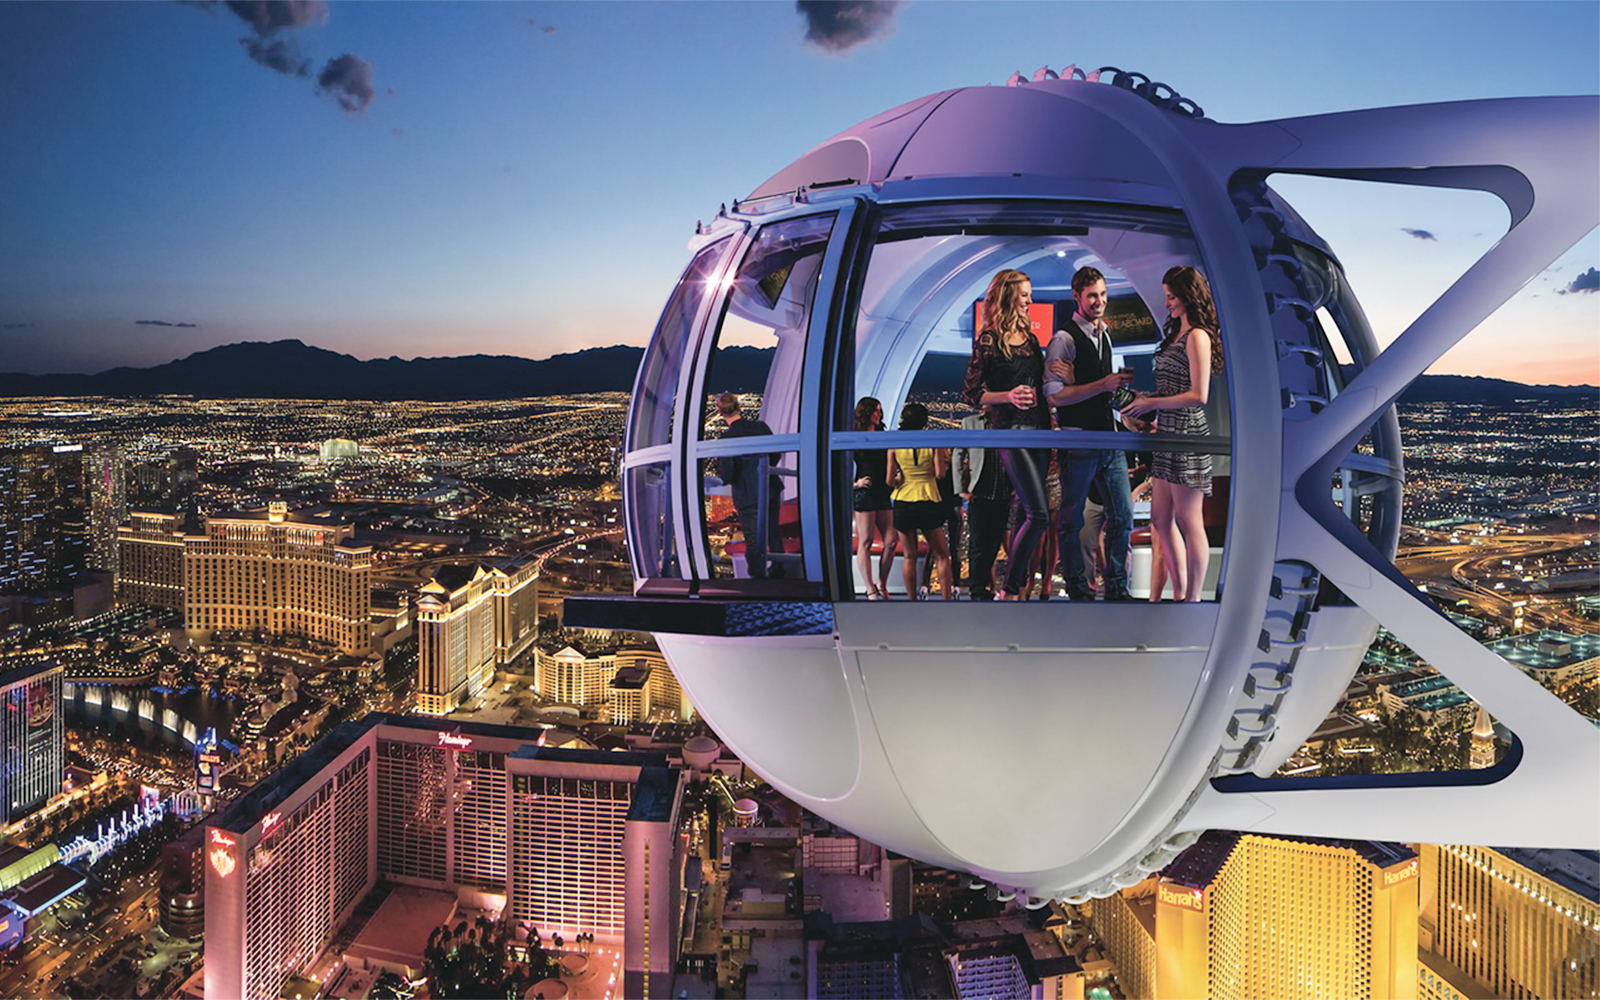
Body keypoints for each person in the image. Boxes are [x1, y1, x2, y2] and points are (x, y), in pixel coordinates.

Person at [1124, 266, 1225, 602]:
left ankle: (1192, 597)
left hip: (1187, 433)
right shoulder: (1177, 337)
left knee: (1188, 519)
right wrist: (1145, 403)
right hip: (1167, 432)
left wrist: (1151, 401)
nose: (1167, 303)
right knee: (1160, 518)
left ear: (1187, 296)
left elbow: (1200, 395)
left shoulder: (1198, 336)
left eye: (1171, 296)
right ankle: (1180, 590)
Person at [1043, 266, 1138, 601]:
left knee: (1123, 515)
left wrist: (1129, 407)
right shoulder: (1064, 339)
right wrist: (1102, 384)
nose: (1100, 302)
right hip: (1078, 440)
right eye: (1093, 296)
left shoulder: (1105, 334)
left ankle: (1115, 586)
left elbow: (1098, 392)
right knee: (1070, 520)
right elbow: (1054, 396)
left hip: (1108, 439)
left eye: (1103, 295)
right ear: (1077, 297)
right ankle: (1077, 589)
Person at [962, 269, 1053, 601]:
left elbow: (1042, 386)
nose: (1030, 300)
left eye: (1030, 293)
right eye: (1025, 294)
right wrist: (1007, 396)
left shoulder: (1030, 338)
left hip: (1041, 431)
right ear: (1007, 295)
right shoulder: (988, 339)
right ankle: (1010, 588)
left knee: (1023, 513)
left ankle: (1015, 589)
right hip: (1010, 432)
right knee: (1039, 514)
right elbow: (971, 393)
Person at [886, 402, 952, 600]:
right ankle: (946, 599)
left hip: (903, 501)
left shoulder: (894, 444)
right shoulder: (932, 441)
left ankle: (911, 600)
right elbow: (940, 474)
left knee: (909, 556)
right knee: (942, 554)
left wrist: (902, 479)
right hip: (928, 498)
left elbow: (889, 480)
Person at [715, 392, 784, 579]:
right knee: (773, 534)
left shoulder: (727, 438)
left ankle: (757, 577)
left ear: (720, 412)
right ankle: (779, 572)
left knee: (753, 539)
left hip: (747, 494)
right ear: (739, 407)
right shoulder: (760, 427)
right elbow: (775, 454)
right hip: (770, 488)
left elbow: (728, 474)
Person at [953, 411, 1011, 601]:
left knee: (994, 543)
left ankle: (982, 585)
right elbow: (958, 454)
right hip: (979, 493)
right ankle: (977, 588)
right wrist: (962, 489)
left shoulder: (1008, 421)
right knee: (978, 543)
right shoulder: (970, 423)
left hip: (1003, 491)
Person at [851, 396, 898, 599]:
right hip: (864, 493)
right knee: (866, 541)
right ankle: (869, 587)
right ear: (866, 412)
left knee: (891, 540)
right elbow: (838, 466)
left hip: (882, 490)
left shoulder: (882, 435)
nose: (879, 414)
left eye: (880, 410)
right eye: (875, 411)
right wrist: (855, 484)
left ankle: (882, 583)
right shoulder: (854, 435)